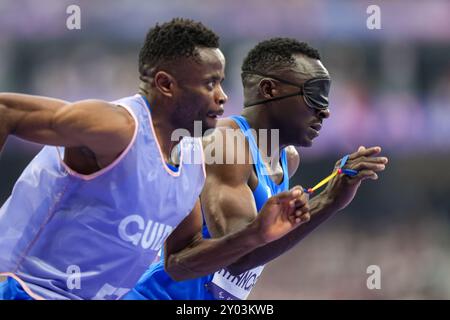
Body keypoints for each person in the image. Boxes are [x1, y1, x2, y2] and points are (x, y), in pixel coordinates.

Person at [0, 21, 309, 300]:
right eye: (209, 83)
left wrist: (254, 235)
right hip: (23, 288)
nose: (222, 96)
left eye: (221, 83)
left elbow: (180, 263)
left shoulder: (193, 160)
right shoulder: (117, 128)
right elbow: (6, 112)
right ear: (165, 84)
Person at [124, 38, 388, 300]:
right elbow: (240, 257)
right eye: (314, 95)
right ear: (269, 89)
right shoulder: (225, 144)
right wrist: (328, 202)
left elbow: (244, 264)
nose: (325, 111)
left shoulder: (288, 159)